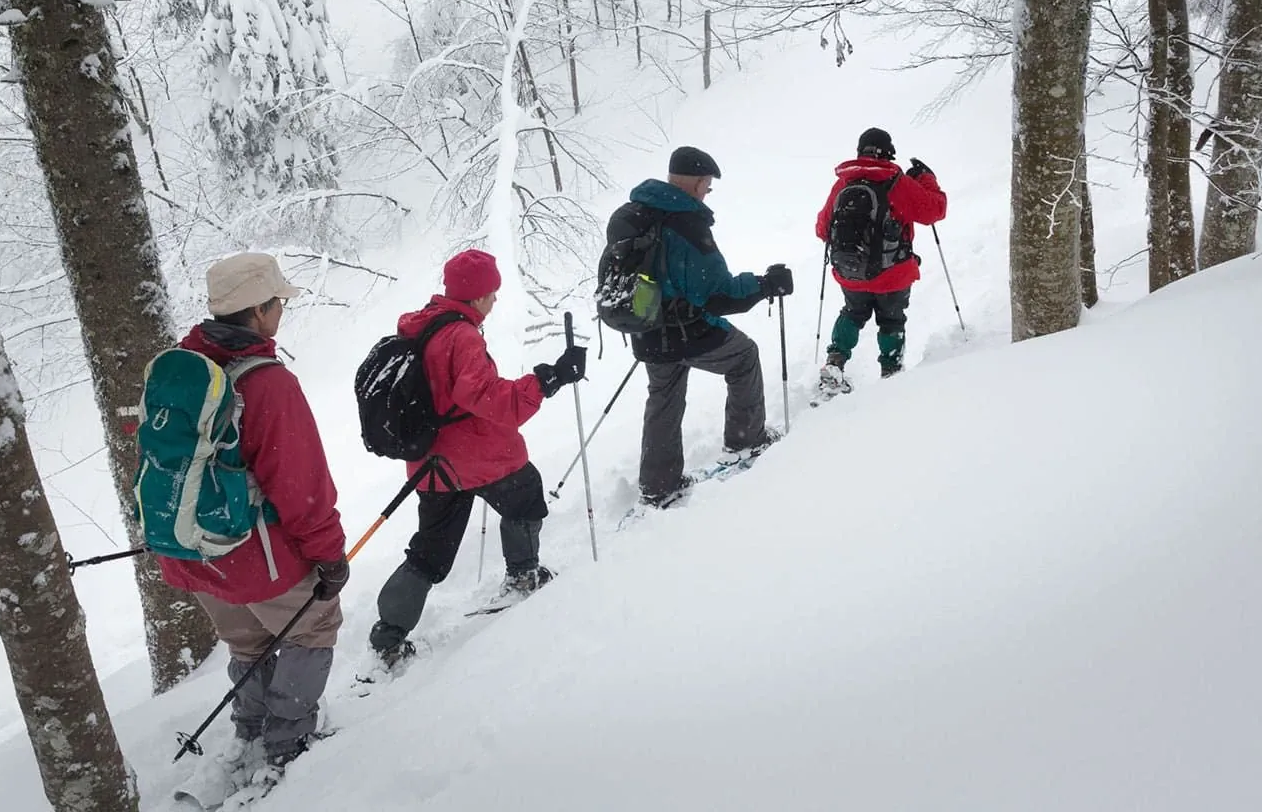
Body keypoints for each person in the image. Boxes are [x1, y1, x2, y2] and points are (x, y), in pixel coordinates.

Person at [155, 252, 349, 769]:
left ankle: (249, 731)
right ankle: (287, 742)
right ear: (259, 312)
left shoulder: (183, 369)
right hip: (255, 555)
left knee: (248, 641)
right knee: (312, 627)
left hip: (191, 551)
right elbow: (302, 488)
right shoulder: (266, 383)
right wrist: (329, 556)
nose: (282, 310)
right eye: (278, 302)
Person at [368, 249, 587, 669]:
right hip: (475, 454)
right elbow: (488, 398)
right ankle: (523, 574)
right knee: (525, 494)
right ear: (476, 294)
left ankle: (388, 635)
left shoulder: (424, 324)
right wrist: (547, 380)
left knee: (430, 552)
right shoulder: (462, 336)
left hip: (431, 462)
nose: (495, 299)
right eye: (492, 292)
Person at [608, 146, 792, 509]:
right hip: (686, 331)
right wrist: (766, 284)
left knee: (663, 395)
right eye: (707, 185)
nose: (707, 192)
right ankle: (746, 441)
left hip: (646, 327)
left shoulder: (635, 213)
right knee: (743, 356)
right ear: (696, 182)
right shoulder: (688, 226)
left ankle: (659, 485)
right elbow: (717, 294)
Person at [813, 127, 948, 394]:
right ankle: (891, 372)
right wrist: (926, 179)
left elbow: (822, 229)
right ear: (889, 153)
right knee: (891, 320)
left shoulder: (845, 183)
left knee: (852, 313)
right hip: (892, 275)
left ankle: (836, 361)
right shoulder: (896, 182)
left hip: (851, 273)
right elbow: (935, 210)